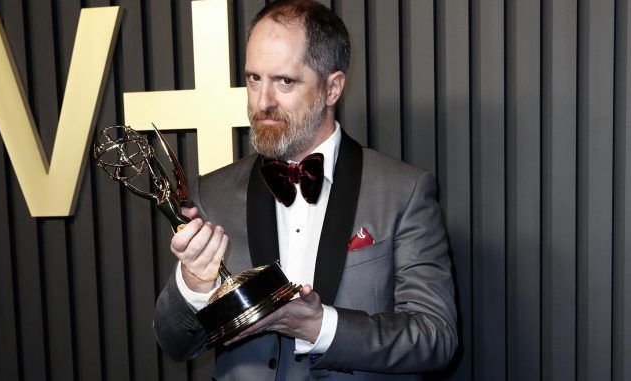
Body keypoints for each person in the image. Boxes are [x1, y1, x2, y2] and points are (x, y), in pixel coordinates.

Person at [153, 0, 457, 379]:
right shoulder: (209, 192)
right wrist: (195, 286)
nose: (262, 102)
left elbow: (435, 337)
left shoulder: (404, 191)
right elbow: (175, 343)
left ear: (333, 88)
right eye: (253, 78)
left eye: (285, 81)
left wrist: (320, 327)